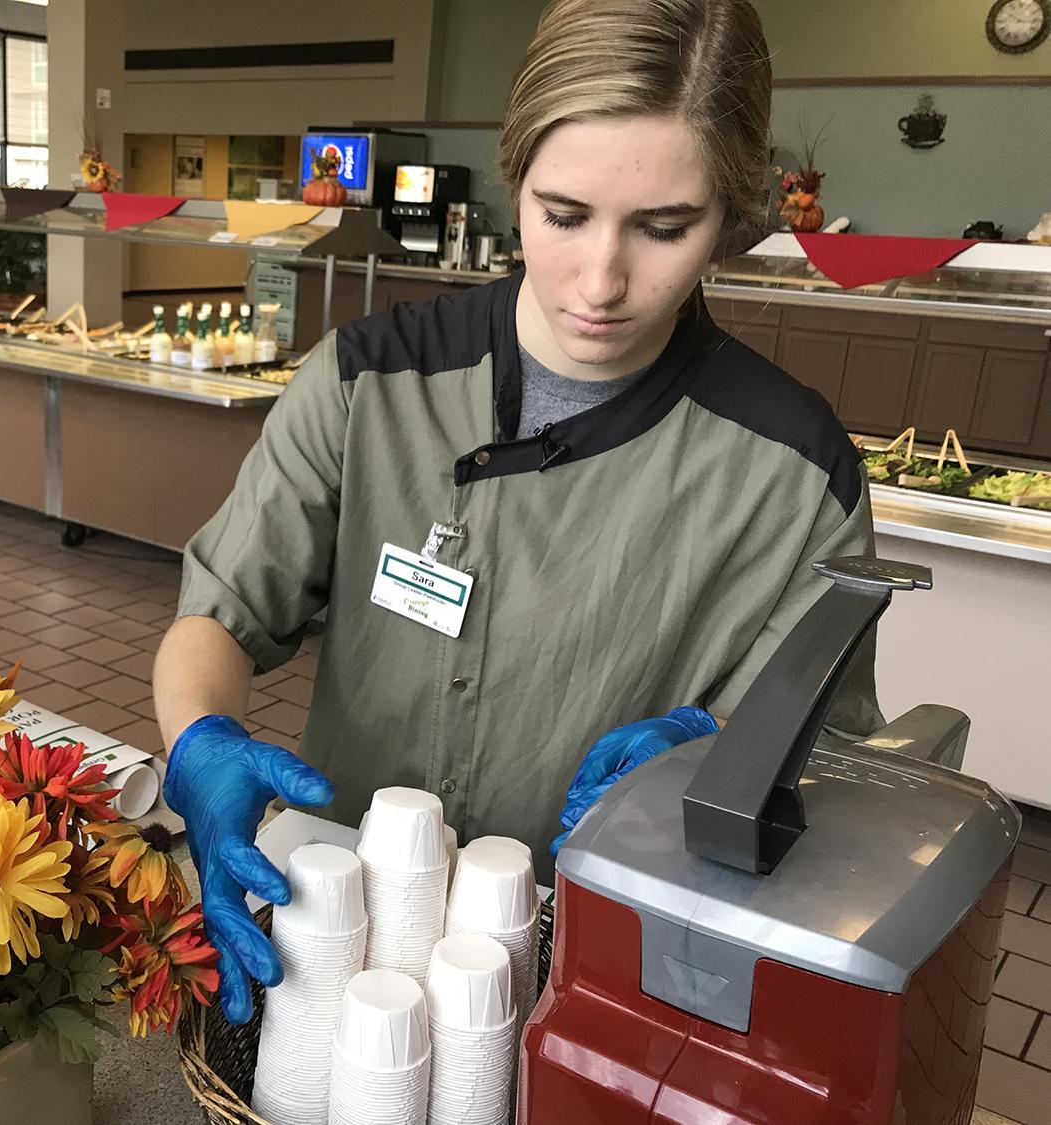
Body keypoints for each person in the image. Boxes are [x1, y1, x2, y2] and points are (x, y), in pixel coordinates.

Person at [154, 0, 884, 1024]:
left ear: (732, 214)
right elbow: (221, 615)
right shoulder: (375, 381)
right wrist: (200, 742)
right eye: (565, 214)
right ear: (515, 179)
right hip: (349, 937)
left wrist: (719, 757)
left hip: (604, 968)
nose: (602, 281)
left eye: (666, 228)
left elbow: (831, 755)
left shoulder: (793, 473)